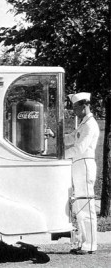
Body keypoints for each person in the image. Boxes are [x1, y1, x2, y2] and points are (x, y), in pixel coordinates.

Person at [65, 92, 99, 255]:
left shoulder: (90, 125)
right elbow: (72, 138)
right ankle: (83, 241)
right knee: (79, 205)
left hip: (85, 164)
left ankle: (90, 244)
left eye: (75, 107)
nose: (74, 111)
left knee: (86, 205)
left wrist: (61, 155)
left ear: (84, 105)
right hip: (78, 164)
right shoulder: (84, 124)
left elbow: (79, 148)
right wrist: (56, 136)